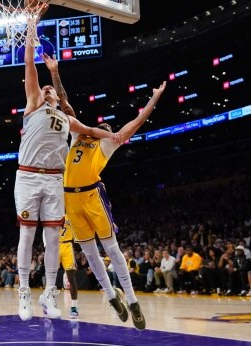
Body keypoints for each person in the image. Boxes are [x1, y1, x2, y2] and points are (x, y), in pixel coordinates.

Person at [15, 10, 120, 322]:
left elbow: (90, 131)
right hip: (29, 177)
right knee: (26, 237)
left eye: (52, 91)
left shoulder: (67, 117)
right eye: (45, 88)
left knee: (50, 240)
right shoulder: (33, 103)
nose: (47, 90)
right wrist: (31, 28)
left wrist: (113, 135)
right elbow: (29, 65)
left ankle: (49, 292)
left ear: (58, 99)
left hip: (54, 181)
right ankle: (23, 291)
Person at [60, 69, 166, 328]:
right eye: (101, 126)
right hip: (70, 200)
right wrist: (54, 72)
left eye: (105, 127)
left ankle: (132, 300)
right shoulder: (78, 135)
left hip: (92, 195)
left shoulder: (108, 143)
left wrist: (154, 98)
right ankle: (111, 296)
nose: (103, 128)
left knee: (112, 250)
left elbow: (137, 122)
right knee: (90, 254)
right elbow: (64, 103)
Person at [59, 219, 79, 318]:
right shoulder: (53, 212)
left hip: (67, 245)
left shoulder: (71, 214)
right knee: (50, 274)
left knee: (71, 277)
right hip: (55, 245)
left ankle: (74, 307)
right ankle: (48, 301)